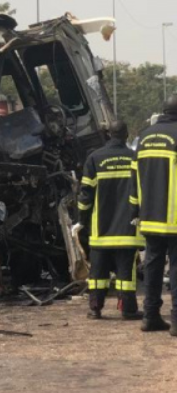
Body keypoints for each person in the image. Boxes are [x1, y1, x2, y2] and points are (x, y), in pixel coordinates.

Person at [78, 122, 143, 320]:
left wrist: (82, 220)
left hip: (101, 230)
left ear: (108, 134)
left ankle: (95, 308)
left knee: (97, 272)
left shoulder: (95, 158)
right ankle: (128, 309)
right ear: (126, 135)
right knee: (126, 273)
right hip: (128, 229)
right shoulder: (134, 158)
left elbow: (85, 195)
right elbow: (141, 192)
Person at [131, 96, 177, 335]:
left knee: (153, 265)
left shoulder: (145, 137)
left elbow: (134, 176)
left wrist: (135, 210)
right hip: (174, 217)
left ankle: (150, 316)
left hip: (149, 215)